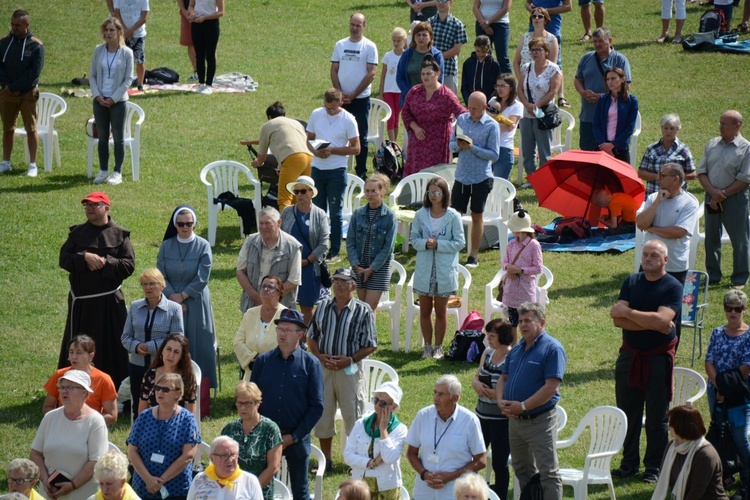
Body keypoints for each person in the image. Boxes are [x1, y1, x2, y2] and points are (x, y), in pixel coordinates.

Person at [610, 240, 682, 483]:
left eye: (654, 255)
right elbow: (617, 320)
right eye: (645, 254)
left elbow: (663, 321)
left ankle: (654, 467)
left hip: (658, 359)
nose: (648, 258)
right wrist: (651, 322)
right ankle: (628, 463)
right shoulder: (631, 281)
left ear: (665, 260)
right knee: (627, 413)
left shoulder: (672, 286)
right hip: (630, 356)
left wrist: (629, 313)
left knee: (656, 417)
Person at [59, 191, 135, 391]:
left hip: (108, 304)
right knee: (78, 344)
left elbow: (128, 266)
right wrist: (84, 257)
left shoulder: (120, 234)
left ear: (106, 208)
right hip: (82, 304)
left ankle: (114, 391)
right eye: (87, 205)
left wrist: (103, 262)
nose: (90, 209)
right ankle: (72, 387)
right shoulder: (77, 233)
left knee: (110, 347)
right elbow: (64, 259)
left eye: (94, 205)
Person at [307, 268, 378, 466]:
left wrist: (349, 359)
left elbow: (371, 343)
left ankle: (356, 460)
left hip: (350, 371)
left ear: (353, 286)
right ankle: (326, 460)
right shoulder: (321, 307)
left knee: (353, 415)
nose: (338, 284)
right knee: (324, 415)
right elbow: (310, 336)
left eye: (343, 281)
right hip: (325, 370)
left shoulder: (363, 310)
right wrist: (320, 357)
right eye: (335, 280)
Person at [250, 309, 324, 500]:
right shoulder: (262, 362)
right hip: (265, 437)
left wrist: (294, 436)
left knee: (300, 491)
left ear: (300, 335)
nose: (282, 334)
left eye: (288, 330)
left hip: (296, 437)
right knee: (259, 488)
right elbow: (252, 400)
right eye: (280, 329)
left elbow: (317, 406)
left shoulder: (311, 364)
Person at [496, 302, 566, 500]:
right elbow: (503, 378)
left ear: (542, 322)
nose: (523, 325)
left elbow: (551, 387)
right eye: (521, 321)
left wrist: (523, 406)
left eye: (528, 320)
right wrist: (501, 401)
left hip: (539, 421)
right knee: (522, 470)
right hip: (515, 422)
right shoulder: (517, 349)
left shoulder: (553, 349)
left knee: (548, 473)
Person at [636, 163, 699, 339]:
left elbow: (679, 232)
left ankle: (670, 353)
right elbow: (641, 223)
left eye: (663, 175)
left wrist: (653, 228)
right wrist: (657, 202)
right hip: (648, 265)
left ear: (676, 179)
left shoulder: (689, 202)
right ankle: (645, 347)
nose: (659, 178)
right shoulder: (654, 197)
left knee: (671, 315)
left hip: (674, 267)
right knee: (644, 307)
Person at [157, 205, 217, 389]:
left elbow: (203, 276)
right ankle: (169, 387)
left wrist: (183, 296)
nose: (185, 227)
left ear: (194, 224)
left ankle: (201, 391)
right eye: (181, 223)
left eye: (189, 223)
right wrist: (172, 297)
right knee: (172, 343)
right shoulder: (166, 246)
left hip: (196, 300)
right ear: (175, 225)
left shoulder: (203, 245)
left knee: (201, 343)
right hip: (170, 299)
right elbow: (160, 274)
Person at [30, 370, 109, 500]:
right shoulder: (50, 417)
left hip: (83, 494)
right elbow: (35, 453)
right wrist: (45, 480)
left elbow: (96, 461)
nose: (64, 391)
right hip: (50, 493)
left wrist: (72, 485)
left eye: (70, 387)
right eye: (62, 387)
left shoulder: (95, 421)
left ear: (84, 393)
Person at [410, 177, 465, 359]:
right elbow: (413, 240)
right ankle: (427, 346)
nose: (433, 196)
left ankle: (439, 346)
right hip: (425, 269)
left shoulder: (453, 216)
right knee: (425, 311)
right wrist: (426, 243)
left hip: (443, 270)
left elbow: (459, 242)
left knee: (441, 312)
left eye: (437, 193)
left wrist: (439, 245)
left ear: (444, 194)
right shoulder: (420, 214)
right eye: (430, 193)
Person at [406, 375, 486, 499]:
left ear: (455, 398)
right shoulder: (423, 416)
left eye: (441, 394)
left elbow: (481, 461)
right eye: (435, 393)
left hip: (454, 492)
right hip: (424, 491)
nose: (435, 398)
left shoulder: (469, 421)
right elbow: (411, 453)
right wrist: (424, 474)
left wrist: (451, 476)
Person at [121, 268, 184, 420]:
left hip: (163, 366)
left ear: (162, 286)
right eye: (144, 284)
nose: (148, 287)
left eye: (152, 284)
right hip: (137, 365)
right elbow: (125, 336)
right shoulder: (135, 307)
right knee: (138, 405)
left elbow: (177, 338)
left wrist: (150, 347)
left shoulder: (174, 309)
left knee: (162, 404)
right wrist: (136, 346)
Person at [697, 110, 750, 287]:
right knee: (711, 237)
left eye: (724, 124)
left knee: (740, 239)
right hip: (711, 196)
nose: (720, 127)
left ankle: (740, 277)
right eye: (720, 123)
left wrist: (723, 194)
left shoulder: (746, 148)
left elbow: (745, 178)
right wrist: (713, 192)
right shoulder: (712, 144)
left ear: (738, 126)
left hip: (735, 199)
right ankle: (713, 275)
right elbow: (702, 171)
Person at [705, 289, 750, 496]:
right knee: (721, 434)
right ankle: (727, 473)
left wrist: (724, 388)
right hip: (717, 391)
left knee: (741, 437)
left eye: (737, 309)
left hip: (739, 395)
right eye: (729, 308)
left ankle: (748, 480)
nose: (733, 312)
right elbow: (709, 361)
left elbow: (745, 368)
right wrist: (718, 386)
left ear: (744, 310)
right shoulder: (716, 332)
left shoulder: (749, 335)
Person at [306, 88, 360, 263]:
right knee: (317, 211)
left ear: (340, 104)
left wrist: (333, 150)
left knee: (335, 213)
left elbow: (356, 148)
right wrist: (316, 151)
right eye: (326, 107)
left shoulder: (348, 119)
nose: (329, 111)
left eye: (333, 109)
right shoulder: (316, 114)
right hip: (317, 169)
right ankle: (318, 248)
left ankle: (334, 251)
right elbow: (308, 139)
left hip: (337, 171)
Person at [127, 372, 200, 499]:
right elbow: (132, 451)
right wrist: (148, 479)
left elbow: (188, 455)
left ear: (178, 393)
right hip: (143, 487)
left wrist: (160, 480)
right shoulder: (144, 416)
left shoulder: (187, 419)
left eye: (165, 389)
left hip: (175, 490)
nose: (159, 392)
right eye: (157, 388)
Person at [450, 91, 499, 268]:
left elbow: (494, 155)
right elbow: (451, 144)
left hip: (481, 177)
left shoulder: (492, 126)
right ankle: (452, 251)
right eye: (469, 107)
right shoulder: (462, 120)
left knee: (477, 215)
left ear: (484, 108)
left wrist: (472, 148)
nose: (471, 111)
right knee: (455, 215)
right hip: (462, 175)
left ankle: (473, 255)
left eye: (475, 108)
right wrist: (459, 145)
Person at [331, 13, 378, 180]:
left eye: (358, 25)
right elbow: (334, 69)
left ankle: (361, 170)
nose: (355, 28)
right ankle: (338, 168)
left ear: (364, 26)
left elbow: (372, 73)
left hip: (360, 99)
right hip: (341, 99)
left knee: (361, 136)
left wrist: (354, 94)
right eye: (352, 24)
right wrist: (339, 93)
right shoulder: (340, 44)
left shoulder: (369, 46)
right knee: (337, 134)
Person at [401, 56, 466, 176]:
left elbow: (461, 112)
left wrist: (476, 116)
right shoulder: (414, 91)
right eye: (423, 74)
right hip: (418, 138)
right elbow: (405, 113)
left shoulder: (446, 94)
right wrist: (415, 128)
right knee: (416, 173)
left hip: (438, 140)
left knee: (435, 175)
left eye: (429, 73)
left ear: (437, 74)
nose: (425, 77)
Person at [343, 381, 408, 499]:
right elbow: (347, 455)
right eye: (376, 400)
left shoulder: (400, 429)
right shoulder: (361, 424)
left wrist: (383, 430)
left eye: (383, 403)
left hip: (387, 486)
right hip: (360, 484)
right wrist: (371, 463)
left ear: (393, 406)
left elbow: (389, 458)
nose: (377, 405)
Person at [471, 319, 513, 499]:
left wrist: (493, 393)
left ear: (503, 337)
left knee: (499, 463)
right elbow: (477, 376)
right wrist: (476, 385)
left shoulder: (512, 358)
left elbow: (511, 390)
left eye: (492, 336)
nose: (488, 338)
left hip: (501, 421)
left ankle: (500, 496)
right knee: (474, 460)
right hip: (481, 416)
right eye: (488, 334)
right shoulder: (487, 353)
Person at [90, 17, 134, 186]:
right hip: (99, 100)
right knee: (102, 136)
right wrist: (97, 95)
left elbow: (129, 79)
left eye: (111, 30)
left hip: (118, 101)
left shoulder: (127, 53)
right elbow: (92, 75)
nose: (108, 33)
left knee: (118, 136)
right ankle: (103, 170)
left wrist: (114, 98)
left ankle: (117, 172)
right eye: (106, 30)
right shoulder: (98, 50)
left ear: (119, 32)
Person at [0, 10, 44, 178]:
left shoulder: (36, 46)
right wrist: (8, 87)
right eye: (12, 24)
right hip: (7, 92)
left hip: (28, 93)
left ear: (27, 25)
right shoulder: (4, 42)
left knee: (31, 128)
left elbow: (34, 72)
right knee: (7, 128)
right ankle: (6, 162)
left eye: (17, 25)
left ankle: (32, 165)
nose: (14, 28)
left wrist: (16, 87)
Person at [280, 176, 330, 324]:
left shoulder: (320, 214)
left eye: (303, 191)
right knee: (284, 303)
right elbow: (280, 235)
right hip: (288, 265)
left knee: (307, 306)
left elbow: (324, 244)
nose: (299, 195)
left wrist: (307, 261)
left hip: (309, 267)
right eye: (297, 192)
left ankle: (308, 338)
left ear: (311, 193)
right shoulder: (287, 212)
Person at [221, 382, 282, 500]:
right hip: (231, 492)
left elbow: (273, 467)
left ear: (258, 403)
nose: (243, 408)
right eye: (240, 403)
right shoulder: (230, 428)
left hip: (259, 493)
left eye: (248, 403)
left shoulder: (270, 429)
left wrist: (249, 492)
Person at [347, 173, 398, 314]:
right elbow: (350, 242)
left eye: (374, 191)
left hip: (378, 268)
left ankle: (369, 336)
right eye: (367, 191)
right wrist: (356, 265)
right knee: (363, 307)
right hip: (359, 267)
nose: (370, 194)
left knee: (369, 308)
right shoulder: (358, 214)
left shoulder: (389, 216)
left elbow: (388, 248)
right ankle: (365, 336)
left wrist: (371, 269)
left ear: (382, 192)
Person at [652, 405, 728, 500]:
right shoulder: (672, 446)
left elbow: (696, 492)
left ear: (681, 427)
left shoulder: (705, 455)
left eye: (671, 423)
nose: (669, 426)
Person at [574, 27, 631, 152]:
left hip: (611, 118)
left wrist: (602, 97)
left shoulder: (620, 60)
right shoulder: (586, 58)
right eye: (594, 41)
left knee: (609, 157)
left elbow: (626, 85)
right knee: (587, 153)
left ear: (609, 40)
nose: (597, 44)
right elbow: (578, 79)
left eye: (601, 41)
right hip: (588, 116)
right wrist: (583, 93)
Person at [236, 207, 302, 311]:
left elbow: (293, 280)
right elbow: (240, 271)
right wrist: (256, 296)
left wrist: (270, 297)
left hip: (280, 307)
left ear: (279, 223)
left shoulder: (293, 246)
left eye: (267, 223)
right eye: (261, 223)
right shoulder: (250, 241)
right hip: (252, 305)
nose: (263, 227)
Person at [44, 335, 118, 425]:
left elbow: (112, 416)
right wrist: (63, 420)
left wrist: (84, 420)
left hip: (91, 429)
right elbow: (47, 407)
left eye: (79, 353)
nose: (74, 357)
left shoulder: (104, 379)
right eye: (71, 352)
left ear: (91, 356)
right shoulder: (59, 375)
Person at [252, 103, 313, 213]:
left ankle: (285, 228)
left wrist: (257, 163)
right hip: (310, 158)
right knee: (302, 196)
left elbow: (262, 155)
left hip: (293, 158)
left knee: (284, 198)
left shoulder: (268, 125)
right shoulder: (296, 123)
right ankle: (306, 225)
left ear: (269, 117)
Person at [517, 37, 561, 186]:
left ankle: (545, 179)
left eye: (538, 49)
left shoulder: (553, 69)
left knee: (544, 150)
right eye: (533, 50)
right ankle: (531, 176)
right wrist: (527, 105)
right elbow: (519, 89)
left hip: (543, 114)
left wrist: (537, 106)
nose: (535, 53)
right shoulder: (526, 67)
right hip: (527, 114)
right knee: (528, 149)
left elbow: (553, 92)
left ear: (546, 52)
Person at [233, 275, 287, 380]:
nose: (266, 289)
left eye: (270, 287)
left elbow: (290, 346)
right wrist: (251, 359)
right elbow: (238, 342)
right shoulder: (250, 313)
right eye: (263, 286)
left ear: (279, 293)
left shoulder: (286, 316)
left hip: (278, 375)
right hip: (251, 375)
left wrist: (266, 362)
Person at [501, 211, 542, 341]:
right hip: (511, 291)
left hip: (525, 291)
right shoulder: (511, 244)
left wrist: (520, 270)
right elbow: (504, 262)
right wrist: (509, 268)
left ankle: (529, 347)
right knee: (512, 323)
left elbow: (538, 268)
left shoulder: (534, 245)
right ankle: (514, 350)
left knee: (528, 323)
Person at [523, 0, 572, 108]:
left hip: (553, 26)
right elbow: (527, 3)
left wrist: (545, 12)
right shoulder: (527, 34)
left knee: (555, 63)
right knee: (534, 56)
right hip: (535, 27)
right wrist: (532, 10)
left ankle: (560, 96)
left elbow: (568, 6)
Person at [137, 333, 198, 419]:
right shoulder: (150, 375)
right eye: (168, 349)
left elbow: (190, 416)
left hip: (178, 427)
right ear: (162, 351)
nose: (171, 355)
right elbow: (142, 412)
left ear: (182, 357)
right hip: (152, 426)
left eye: (176, 352)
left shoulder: (187, 378)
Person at [187, 436, 263, 500]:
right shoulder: (200, 480)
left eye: (233, 454)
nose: (230, 460)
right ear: (212, 458)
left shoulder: (249, 481)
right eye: (223, 456)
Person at [638, 114, 696, 196]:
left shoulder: (684, 150)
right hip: (654, 195)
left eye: (672, 128)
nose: (668, 131)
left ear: (677, 130)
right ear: (661, 129)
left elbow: (693, 175)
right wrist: (659, 176)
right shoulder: (651, 149)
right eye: (666, 128)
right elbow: (641, 173)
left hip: (676, 197)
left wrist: (673, 180)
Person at [592, 67, 639, 164]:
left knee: (622, 178)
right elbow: (596, 124)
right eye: (607, 79)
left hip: (620, 148)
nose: (609, 82)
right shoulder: (603, 99)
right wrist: (604, 147)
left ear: (622, 79)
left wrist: (612, 145)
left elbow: (629, 128)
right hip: (602, 147)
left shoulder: (632, 101)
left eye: (613, 78)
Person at [395, 22, 445, 109]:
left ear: (430, 37)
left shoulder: (437, 55)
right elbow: (399, 77)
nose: (421, 38)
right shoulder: (406, 55)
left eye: (424, 35)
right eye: (418, 35)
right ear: (414, 37)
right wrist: (410, 94)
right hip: (410, 100)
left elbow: (440, 79)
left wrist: (428, 96)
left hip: (431, 102)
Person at [428, 0, 467, 96]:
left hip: (448, 70)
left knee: (449, 104)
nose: (441, 3)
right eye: (438, 0)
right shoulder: (429, 22)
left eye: (444, 0)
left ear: (451, 2)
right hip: (429, 70)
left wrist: (437, 57)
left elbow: (457, 50)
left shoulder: (457, 25)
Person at [487, 73, 522, 179]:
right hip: (488, 146)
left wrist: (491, 120)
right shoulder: (492, 101)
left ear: (511, 88)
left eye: (503, 86)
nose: (499, 89)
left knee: (500, 185)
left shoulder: (517, 106)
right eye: (497, 85)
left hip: (504, 148)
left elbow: (508, 127)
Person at [188, 0, 224, 94]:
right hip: (197, 24)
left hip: (211, 25)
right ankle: (201, 83)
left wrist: (205, 17)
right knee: (199, 55)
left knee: (210, 55)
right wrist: (193, 13)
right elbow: (191, 6)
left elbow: (221, 12)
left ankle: (209, 84)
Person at [512, 7, 558, 82]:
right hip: (523, 80)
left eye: (540, 16)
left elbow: (552, 66)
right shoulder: (524, 37)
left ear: (545, 20)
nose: (536, 18)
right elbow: (516, 62)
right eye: (534, 16)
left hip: (542, 82)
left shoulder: (552, 39)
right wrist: (520, 79)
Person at [113, 0, 147, 93]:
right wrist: (124, 29)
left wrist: (131, 30)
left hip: (138, 34)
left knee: (139, 60)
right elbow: (117, 13)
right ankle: (121, 84)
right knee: (121, 60)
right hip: (122, 34)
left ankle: (140, 84)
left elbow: (144, 18)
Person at [380, 28, 407, 142]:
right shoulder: (388, 56)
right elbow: (383, 75)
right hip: (388, 91)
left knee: (396, 117)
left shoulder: (406, 56)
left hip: (400, 91)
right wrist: (381, 92)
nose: (396, 43)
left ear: (404, 41)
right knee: (390, 117)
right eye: (394, 41)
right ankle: (393, 143)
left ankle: (394, 142)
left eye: (399, 41)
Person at [472, 0, 511, 76]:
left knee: (502, 57)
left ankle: (509, 84)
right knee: (483, 55)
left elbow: (506, 8)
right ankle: (485, 82)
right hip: (482, 24)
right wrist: (483, 23)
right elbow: (475, 7)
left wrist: (488, 22)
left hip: (501, 25)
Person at [461, 36, 501, 105]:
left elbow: (496, 85)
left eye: (483, 51)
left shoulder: (494, 64)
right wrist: (468, 101)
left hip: (488, 100)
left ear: (488, 48)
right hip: (471, 99)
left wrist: (489, 101)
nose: (480, 54)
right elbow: (464, 85)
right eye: (478, 51)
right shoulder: (468, 63)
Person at [177, 0, 197, 82]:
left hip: (206, 13)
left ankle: (211, 74)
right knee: (191, 43)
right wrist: (183, 10)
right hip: (187, 15)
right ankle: (197, 72)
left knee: (209, 45)